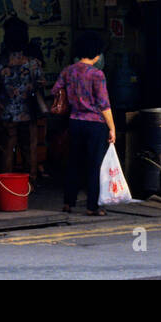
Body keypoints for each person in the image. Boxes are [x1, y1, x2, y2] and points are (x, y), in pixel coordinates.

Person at [51, 31, 115, 216]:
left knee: (74, 162)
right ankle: (92, 206)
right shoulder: (97, 74)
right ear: (97, 54)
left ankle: (68, 203)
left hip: (74, 122)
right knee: (94, 165)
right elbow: (104, 104)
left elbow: (56, 89)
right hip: (95, 124)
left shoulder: (68, 70)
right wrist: (112, 127)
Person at [0, 19, 44, 178]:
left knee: (8, 148)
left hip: (6, 112)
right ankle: (31, 182)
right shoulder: (33, 64)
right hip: (28, 113)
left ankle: (6, 182)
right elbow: (40, 84)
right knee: (30, 147)